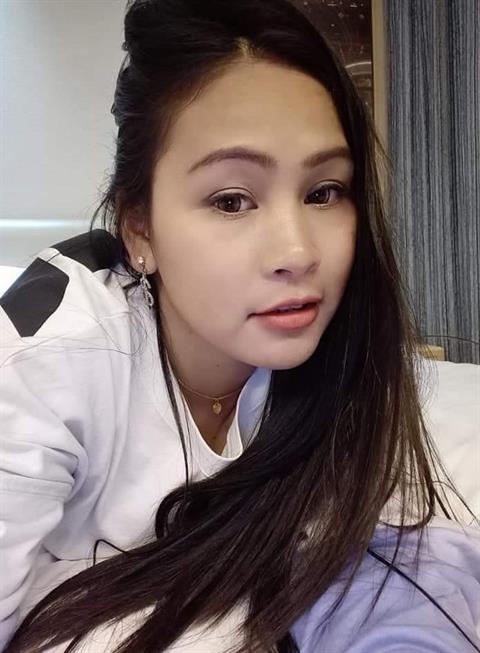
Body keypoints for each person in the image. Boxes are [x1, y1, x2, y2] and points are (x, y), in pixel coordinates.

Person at [1, 0, 479, 651]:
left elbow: (386, 583)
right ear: (139, 228)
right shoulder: (43, 365)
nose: (298, 253)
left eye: (323, 192)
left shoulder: (343, 360)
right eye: (232, 200)